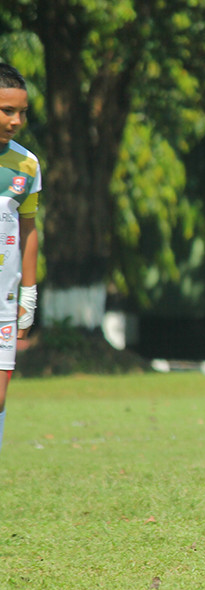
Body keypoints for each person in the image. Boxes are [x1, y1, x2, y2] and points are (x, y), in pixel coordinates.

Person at [0, 63, 39, 456]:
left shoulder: (27, 165)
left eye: (21, 112)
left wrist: (29, 294)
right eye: (6, 111)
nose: (16, 120)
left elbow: (28, 231)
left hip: (4, 301)